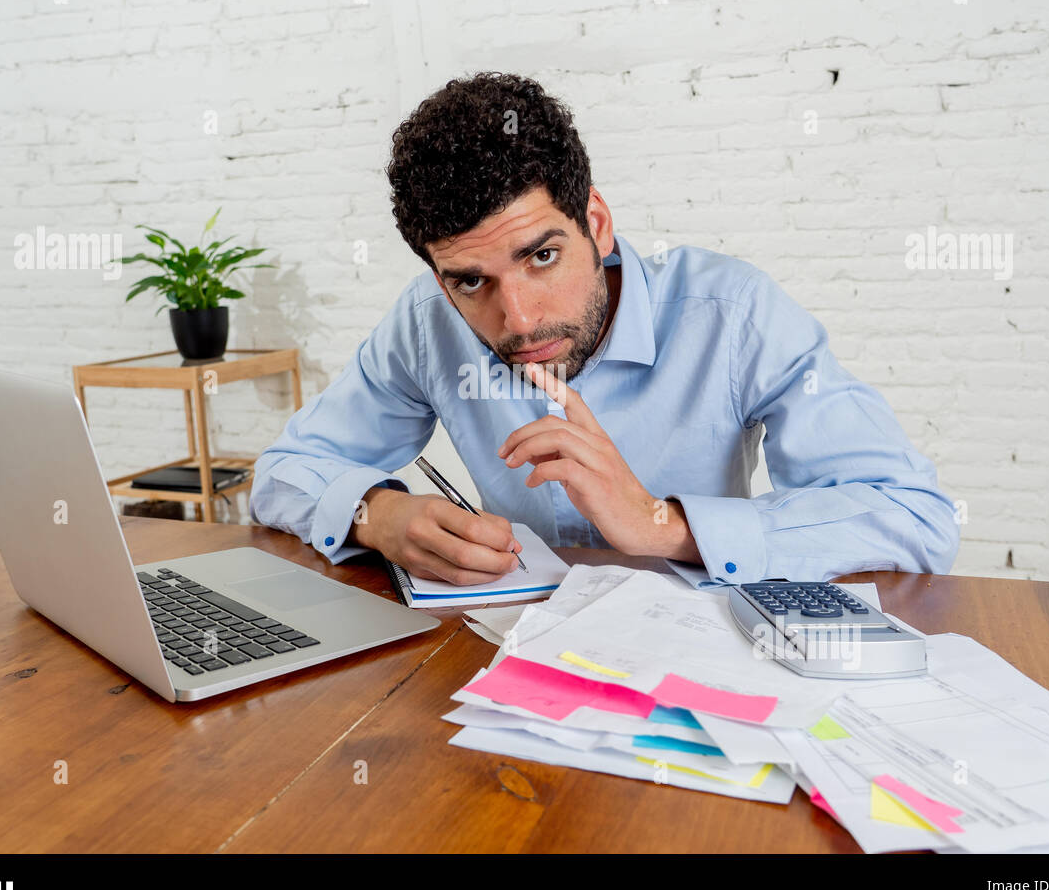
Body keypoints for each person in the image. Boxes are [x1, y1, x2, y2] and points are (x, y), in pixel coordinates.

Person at [250, 72, 960, 588]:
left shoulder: (732, 315)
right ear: (440, 278)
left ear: (595, 222)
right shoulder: (425, 324)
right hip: (517, 675)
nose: (520, 321)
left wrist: (662, 524)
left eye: (542, 256)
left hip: (705, 676)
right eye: (472, 280)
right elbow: (282, 472)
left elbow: (914, 515)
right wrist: (376, 513)